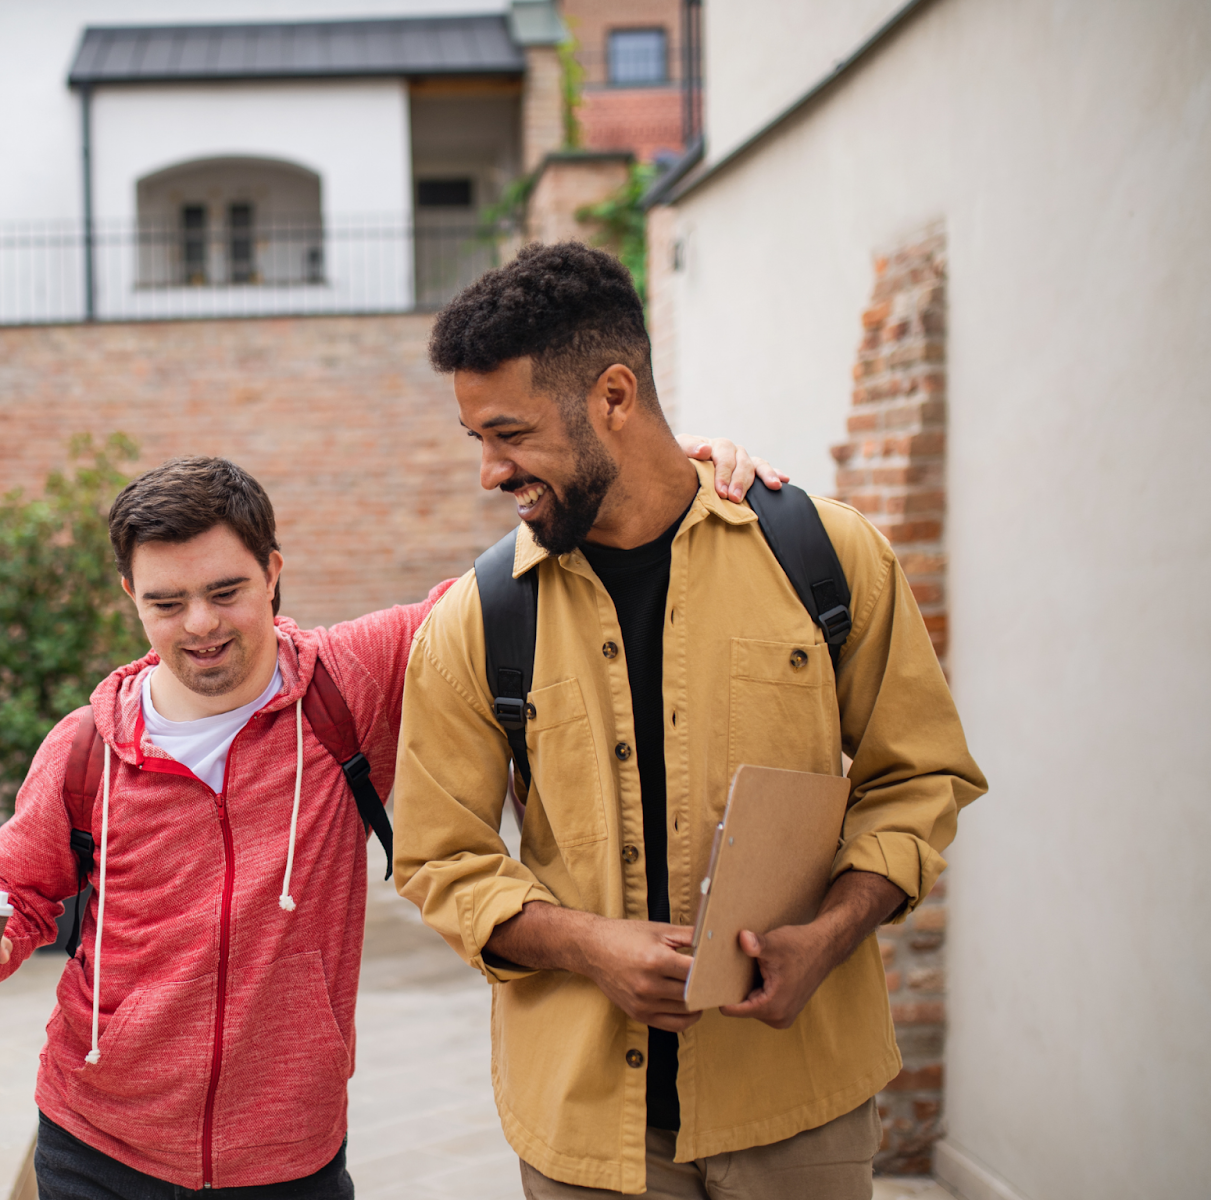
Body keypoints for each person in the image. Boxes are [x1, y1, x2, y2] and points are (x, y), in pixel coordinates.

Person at [0, 443, 778, 1197]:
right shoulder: (88, 745)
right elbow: (19, 894)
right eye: (166, 603)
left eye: (226, 591)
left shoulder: (347, 684)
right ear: (129, 595)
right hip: (96, 1140)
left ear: (275, 570)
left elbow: (507, 579)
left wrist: (656, 471)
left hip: (288, 1154)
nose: (202, 626)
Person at [392, 242, 987, 1200]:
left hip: (800, 1104)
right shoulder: (476, 619)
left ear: (614, 397)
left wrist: (829, 935)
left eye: (510, 434)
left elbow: (919, 782)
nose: (491, 472)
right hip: (585, 1129)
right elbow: (438, 859)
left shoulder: (827, 555)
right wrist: (589, 946)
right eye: (479, 441)